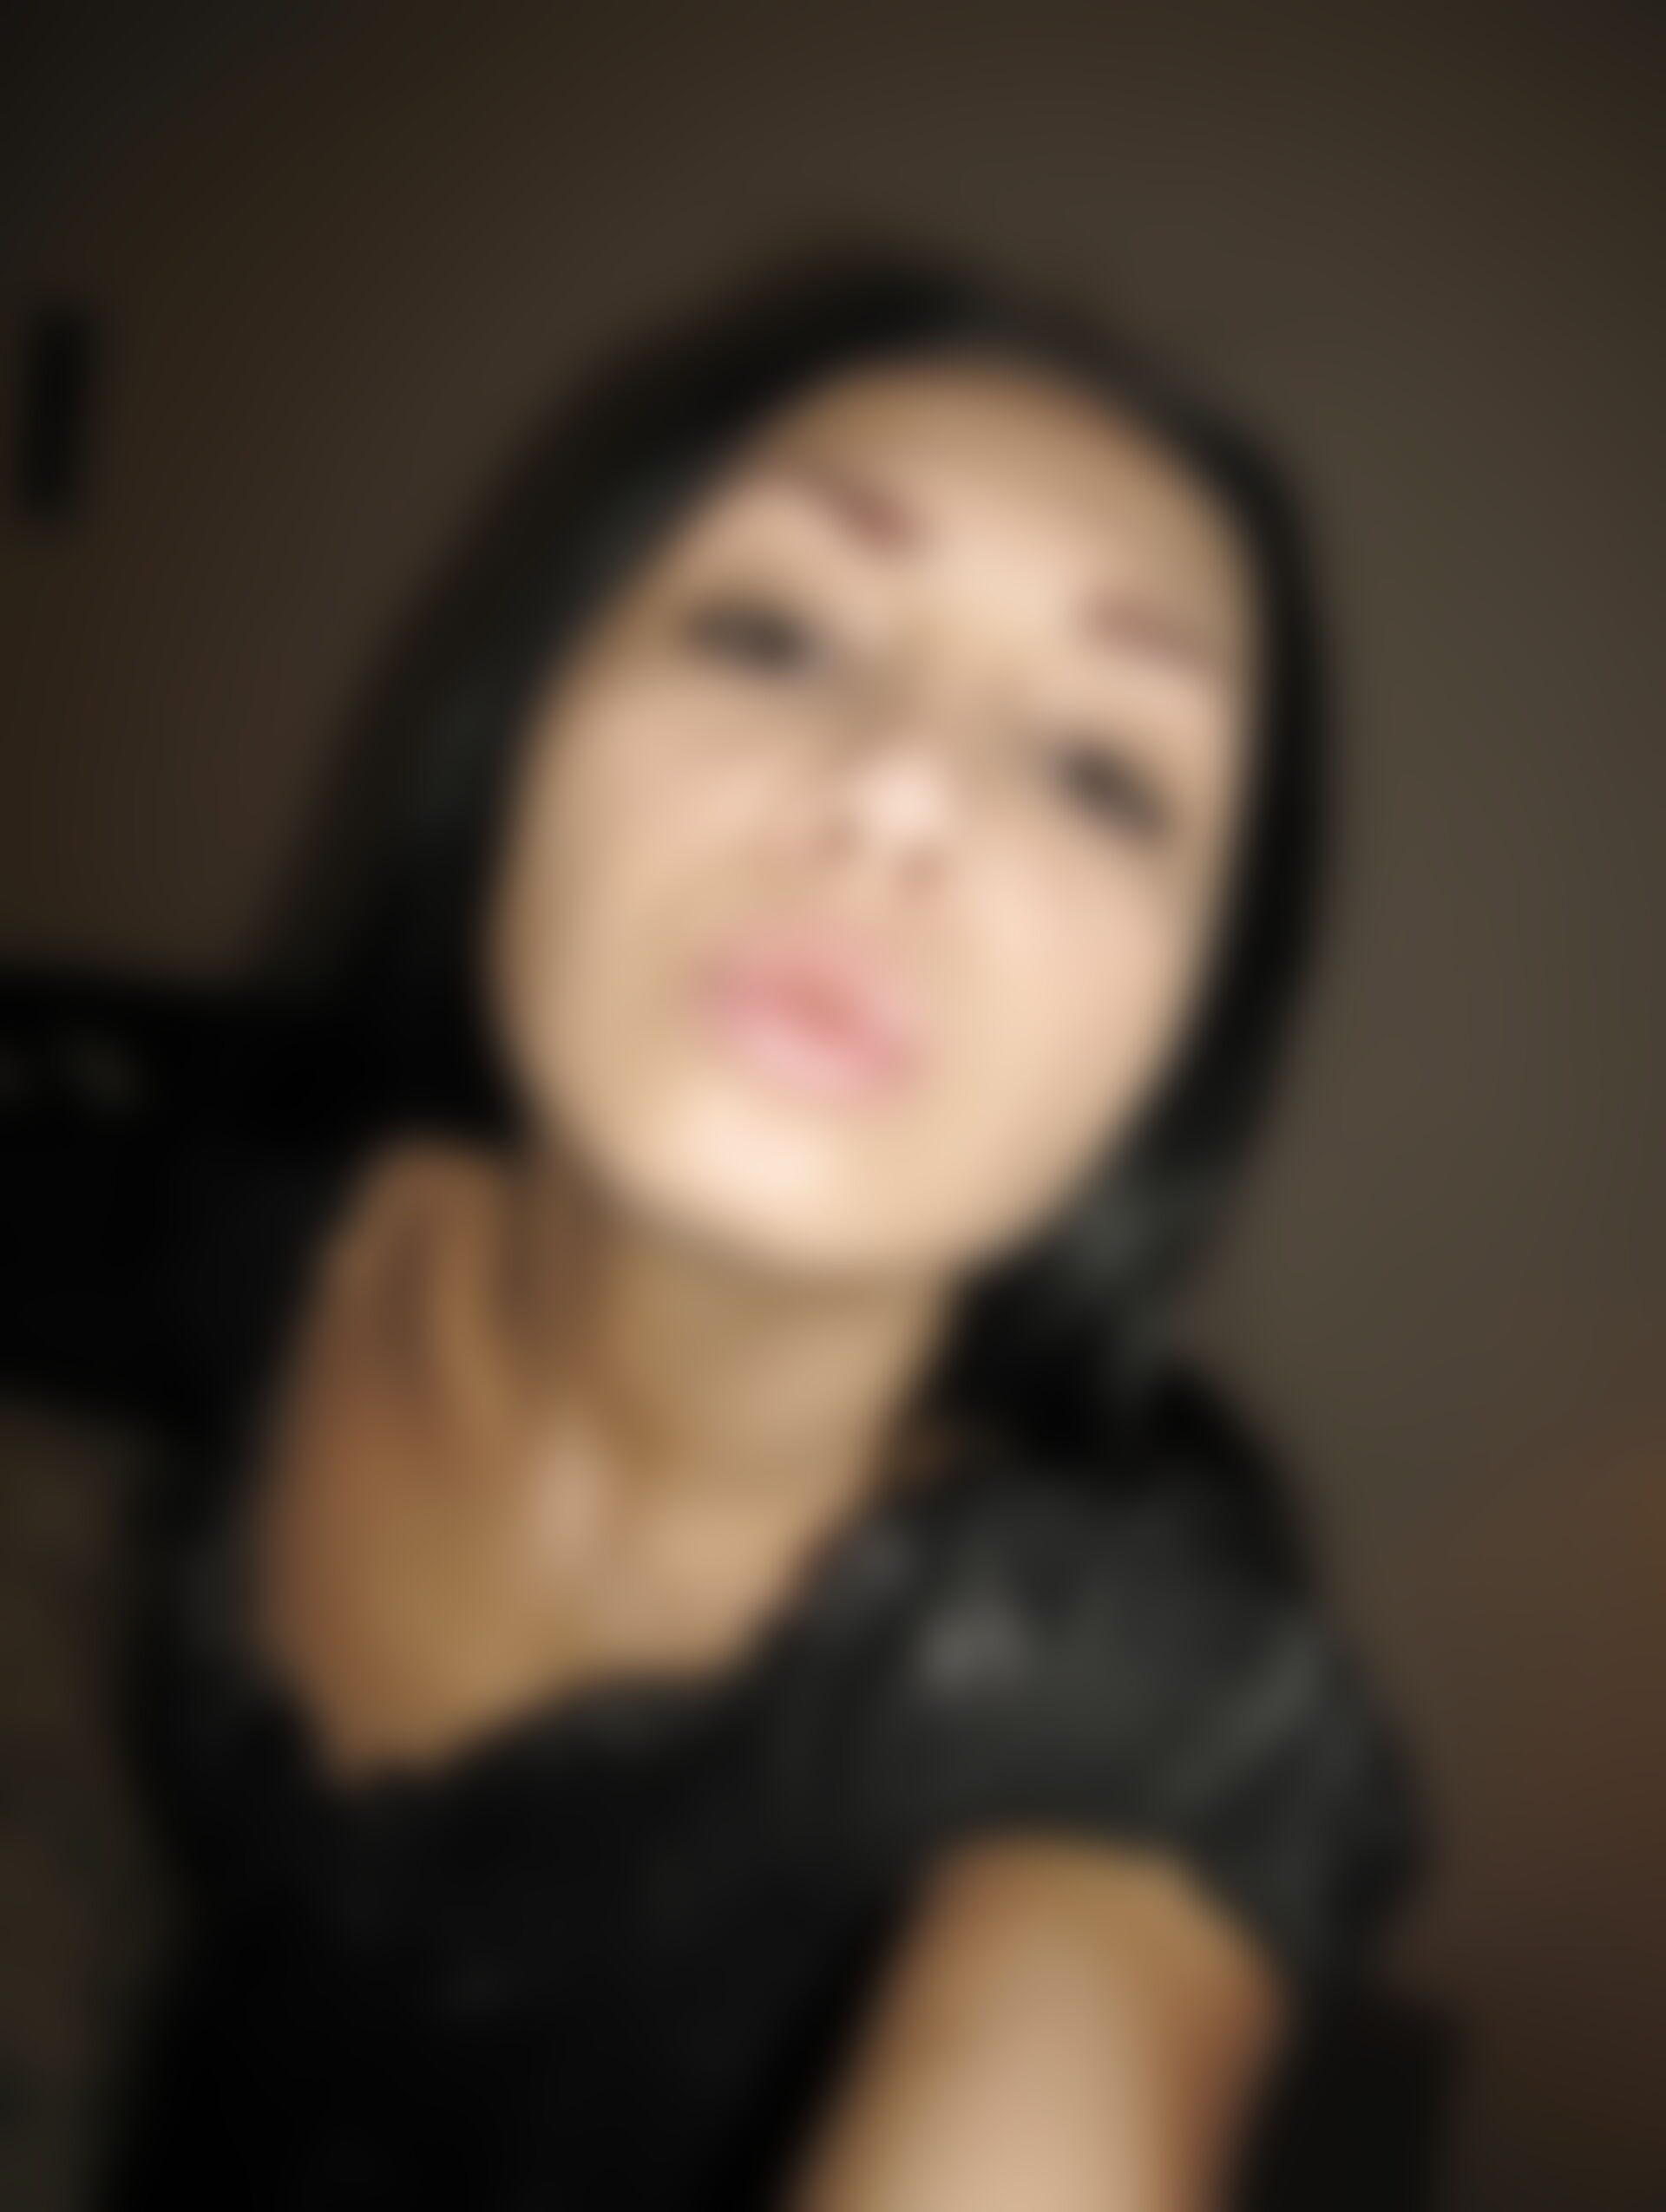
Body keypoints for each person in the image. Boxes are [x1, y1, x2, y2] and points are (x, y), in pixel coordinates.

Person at [14, 242, 1428, 2210]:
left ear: (1189, 1031)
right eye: (771, 632)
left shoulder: (1109, 1682)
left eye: (1103, 772)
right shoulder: (255, 1214)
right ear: (526, 732)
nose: (902, 790)